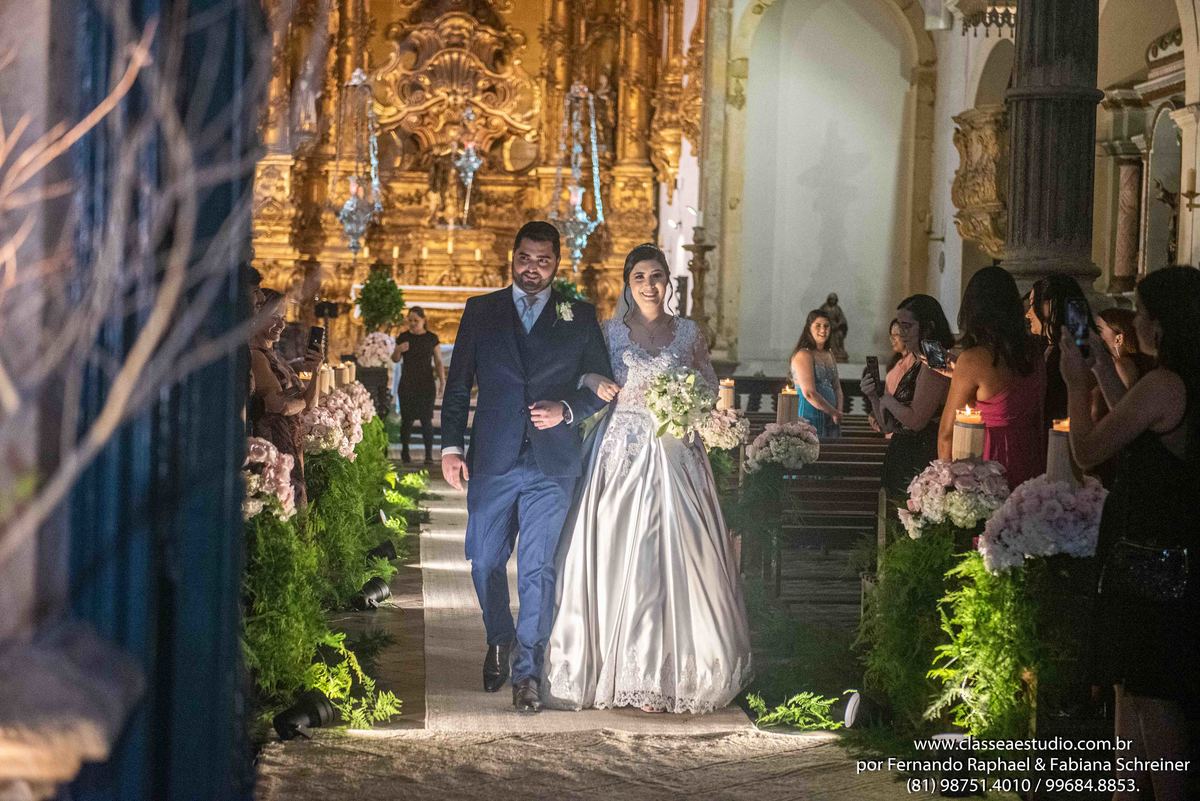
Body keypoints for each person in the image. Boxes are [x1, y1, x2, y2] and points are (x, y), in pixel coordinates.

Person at [543, 243, 753, 714]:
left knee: (681, 551)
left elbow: (709, 381)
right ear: (627, 283)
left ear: (668, 282)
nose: (649, 285)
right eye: (639, 277)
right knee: (623, 551)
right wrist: (590, 383)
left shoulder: (691, 333)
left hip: (677, 449)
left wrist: (690, 401)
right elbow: (584, 376)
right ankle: (619, 667)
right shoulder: (609, 331)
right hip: (622, 451)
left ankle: (680, 669)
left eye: (656, 276)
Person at [440, 221, 613, 714]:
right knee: (486, 559)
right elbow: (457, 387)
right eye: (524, 258)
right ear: (511, 257)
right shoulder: (481, 310)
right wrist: (451, 447)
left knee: (538, 567)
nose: (531, 268)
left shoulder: (578, 315)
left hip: (552, 462)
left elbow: (601, 385)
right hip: (492, 458)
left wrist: (569, 410)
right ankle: (499, 637)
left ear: (557, 264)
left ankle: (528, 673)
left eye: (542, 261)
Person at [1060, 266, 1200, 801]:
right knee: (1133, 705)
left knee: (1151, 714)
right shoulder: (1178, 384)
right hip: (1163, 560)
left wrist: (1075, 386)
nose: (1134, 319)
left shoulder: (1165, 384)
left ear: (1162, 324)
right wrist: (1100, 371)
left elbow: (1090, 451)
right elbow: (1137, 422)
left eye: (1141, 311)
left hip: (1151, 567)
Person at [937, 266, 1045, 487]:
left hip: (989, 460)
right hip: (1031, 454)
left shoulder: (974, 359)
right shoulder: (1036, 352)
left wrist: (946, 487)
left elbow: (946, 434)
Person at [862, 295, 952, 500]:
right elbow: (888, 427)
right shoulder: (916, 358)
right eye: (900, 327)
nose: (901, 334)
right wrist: (875, 397)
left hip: (920, 454)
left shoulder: (935, 358)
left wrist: (887, 400)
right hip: (903, 450)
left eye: (907, 327)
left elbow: (917, 421)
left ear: (928, 327)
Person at [249, 289, 323, 506]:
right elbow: (279, 405)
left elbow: (311, 404)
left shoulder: (276, 357)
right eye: (274, 318)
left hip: (292, 442)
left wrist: (316, 370)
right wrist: (300, 402)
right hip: (276, 443)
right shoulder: (256, 356)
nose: (281, 325)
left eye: (283, 318)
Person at [1026, 274, 1091, 428]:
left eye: (1033, 304)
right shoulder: (1042, 348)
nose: (1028, 313)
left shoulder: (1072, 354)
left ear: (1051, 305)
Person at [391, 307, 445, 465]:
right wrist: (398, 349)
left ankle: (429, 455)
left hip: (426, 383)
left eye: (416, 320)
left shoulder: (431, 338)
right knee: (406, 420)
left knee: (426, 420)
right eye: (410, 320)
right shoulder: (403, 337)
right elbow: (395, 359)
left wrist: (442, 381)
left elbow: (439, 362)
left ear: (423, 320)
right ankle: (405, 453)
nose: (413, 323)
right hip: (408, 383)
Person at [790, 310, 843, 438]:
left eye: (826, 326)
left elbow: (837, 387)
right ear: (809, 328)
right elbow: (809, 393)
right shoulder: (803, 354)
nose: (823, 330)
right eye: (818, 325)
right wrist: (833, 412)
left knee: (833, 454)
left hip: (831, 417)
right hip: (809, 415)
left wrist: (838, 412)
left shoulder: (829, 354)